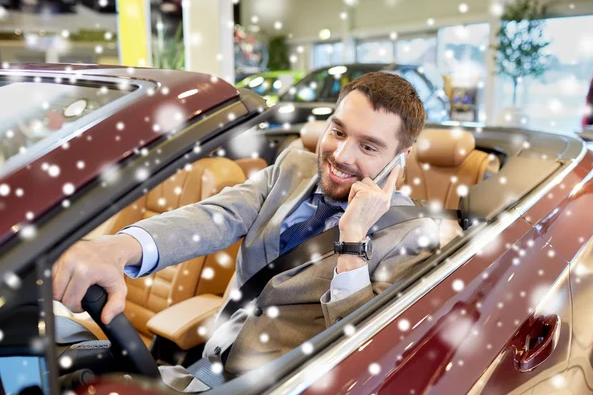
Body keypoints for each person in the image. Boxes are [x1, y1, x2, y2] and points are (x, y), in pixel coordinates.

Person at [52, 72, 440, 392]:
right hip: (205, 368)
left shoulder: (412, 235)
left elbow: (362, 347)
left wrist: (352, 239)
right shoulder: (293, 166)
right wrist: (119, 247)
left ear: (399, 160)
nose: (341, 156)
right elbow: (215, 216)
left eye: (368, 147)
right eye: (338, 132)